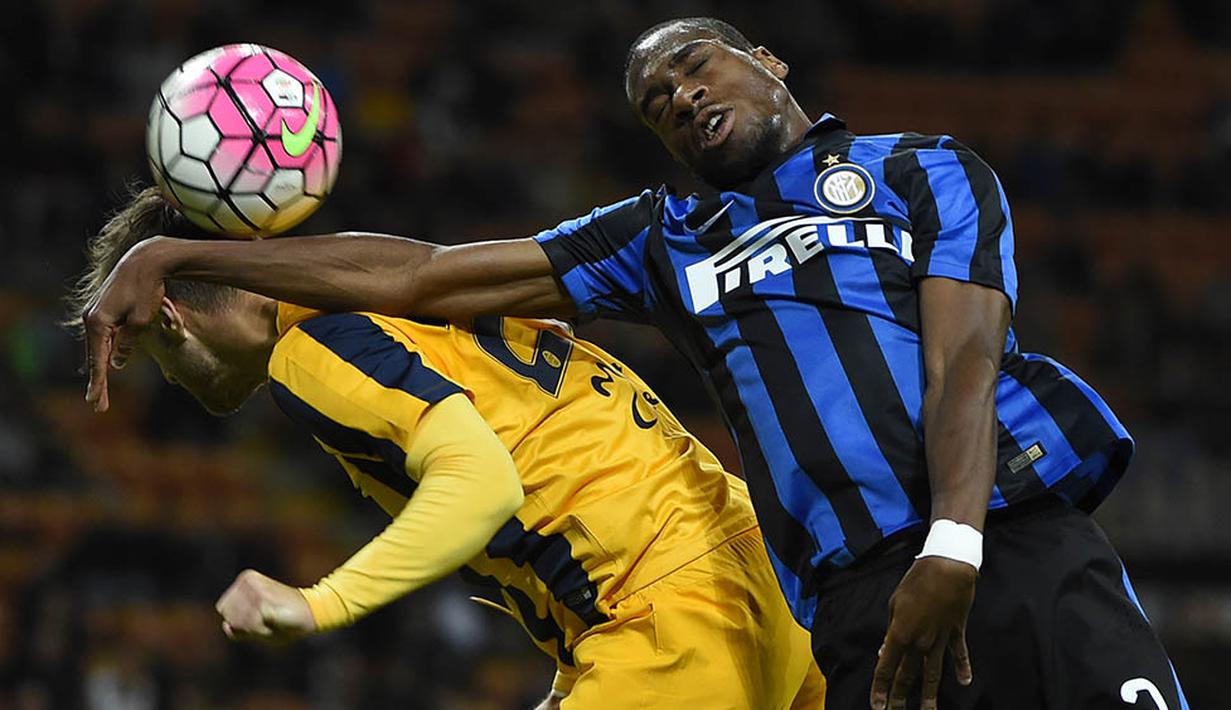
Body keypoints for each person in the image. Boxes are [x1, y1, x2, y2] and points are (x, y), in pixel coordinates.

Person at [82, 17, 1188, 710]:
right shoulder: (663, 236)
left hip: (995, 542)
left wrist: (954, 541)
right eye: (657, 104)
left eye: (696, 67)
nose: (682, 96)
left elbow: (965, 357)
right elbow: (422, 272)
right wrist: (178, 243)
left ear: (768, 60)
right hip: (839, 600)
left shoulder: (922, 169)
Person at [67, 187, 825, 709]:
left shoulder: (313, 349)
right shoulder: (423, 303)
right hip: (770, 582)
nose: (168, 378)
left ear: (168, 319)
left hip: (670, 617)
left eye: (152, 355)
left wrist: (317, 602)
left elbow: (482, 483)